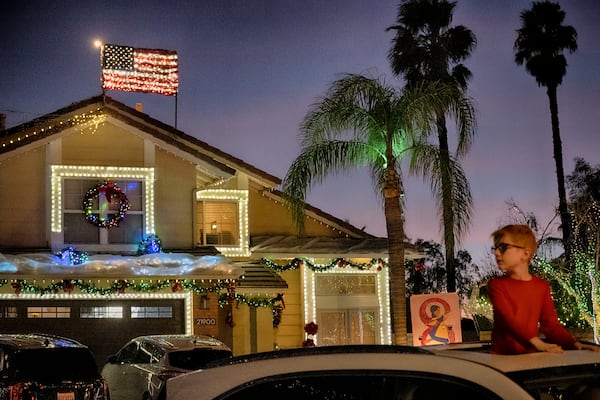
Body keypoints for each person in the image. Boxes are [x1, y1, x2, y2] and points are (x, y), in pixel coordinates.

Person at [487, 224, 600, 354]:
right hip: (501, 361)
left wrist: (575, 344)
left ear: (525, 253)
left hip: (532, 359)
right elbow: (509, 319)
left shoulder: (541, 286)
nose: (496, 253)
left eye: (503, 247)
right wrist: (537, 343)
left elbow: (550, 325)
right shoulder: (496, 285)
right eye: (495, 248)